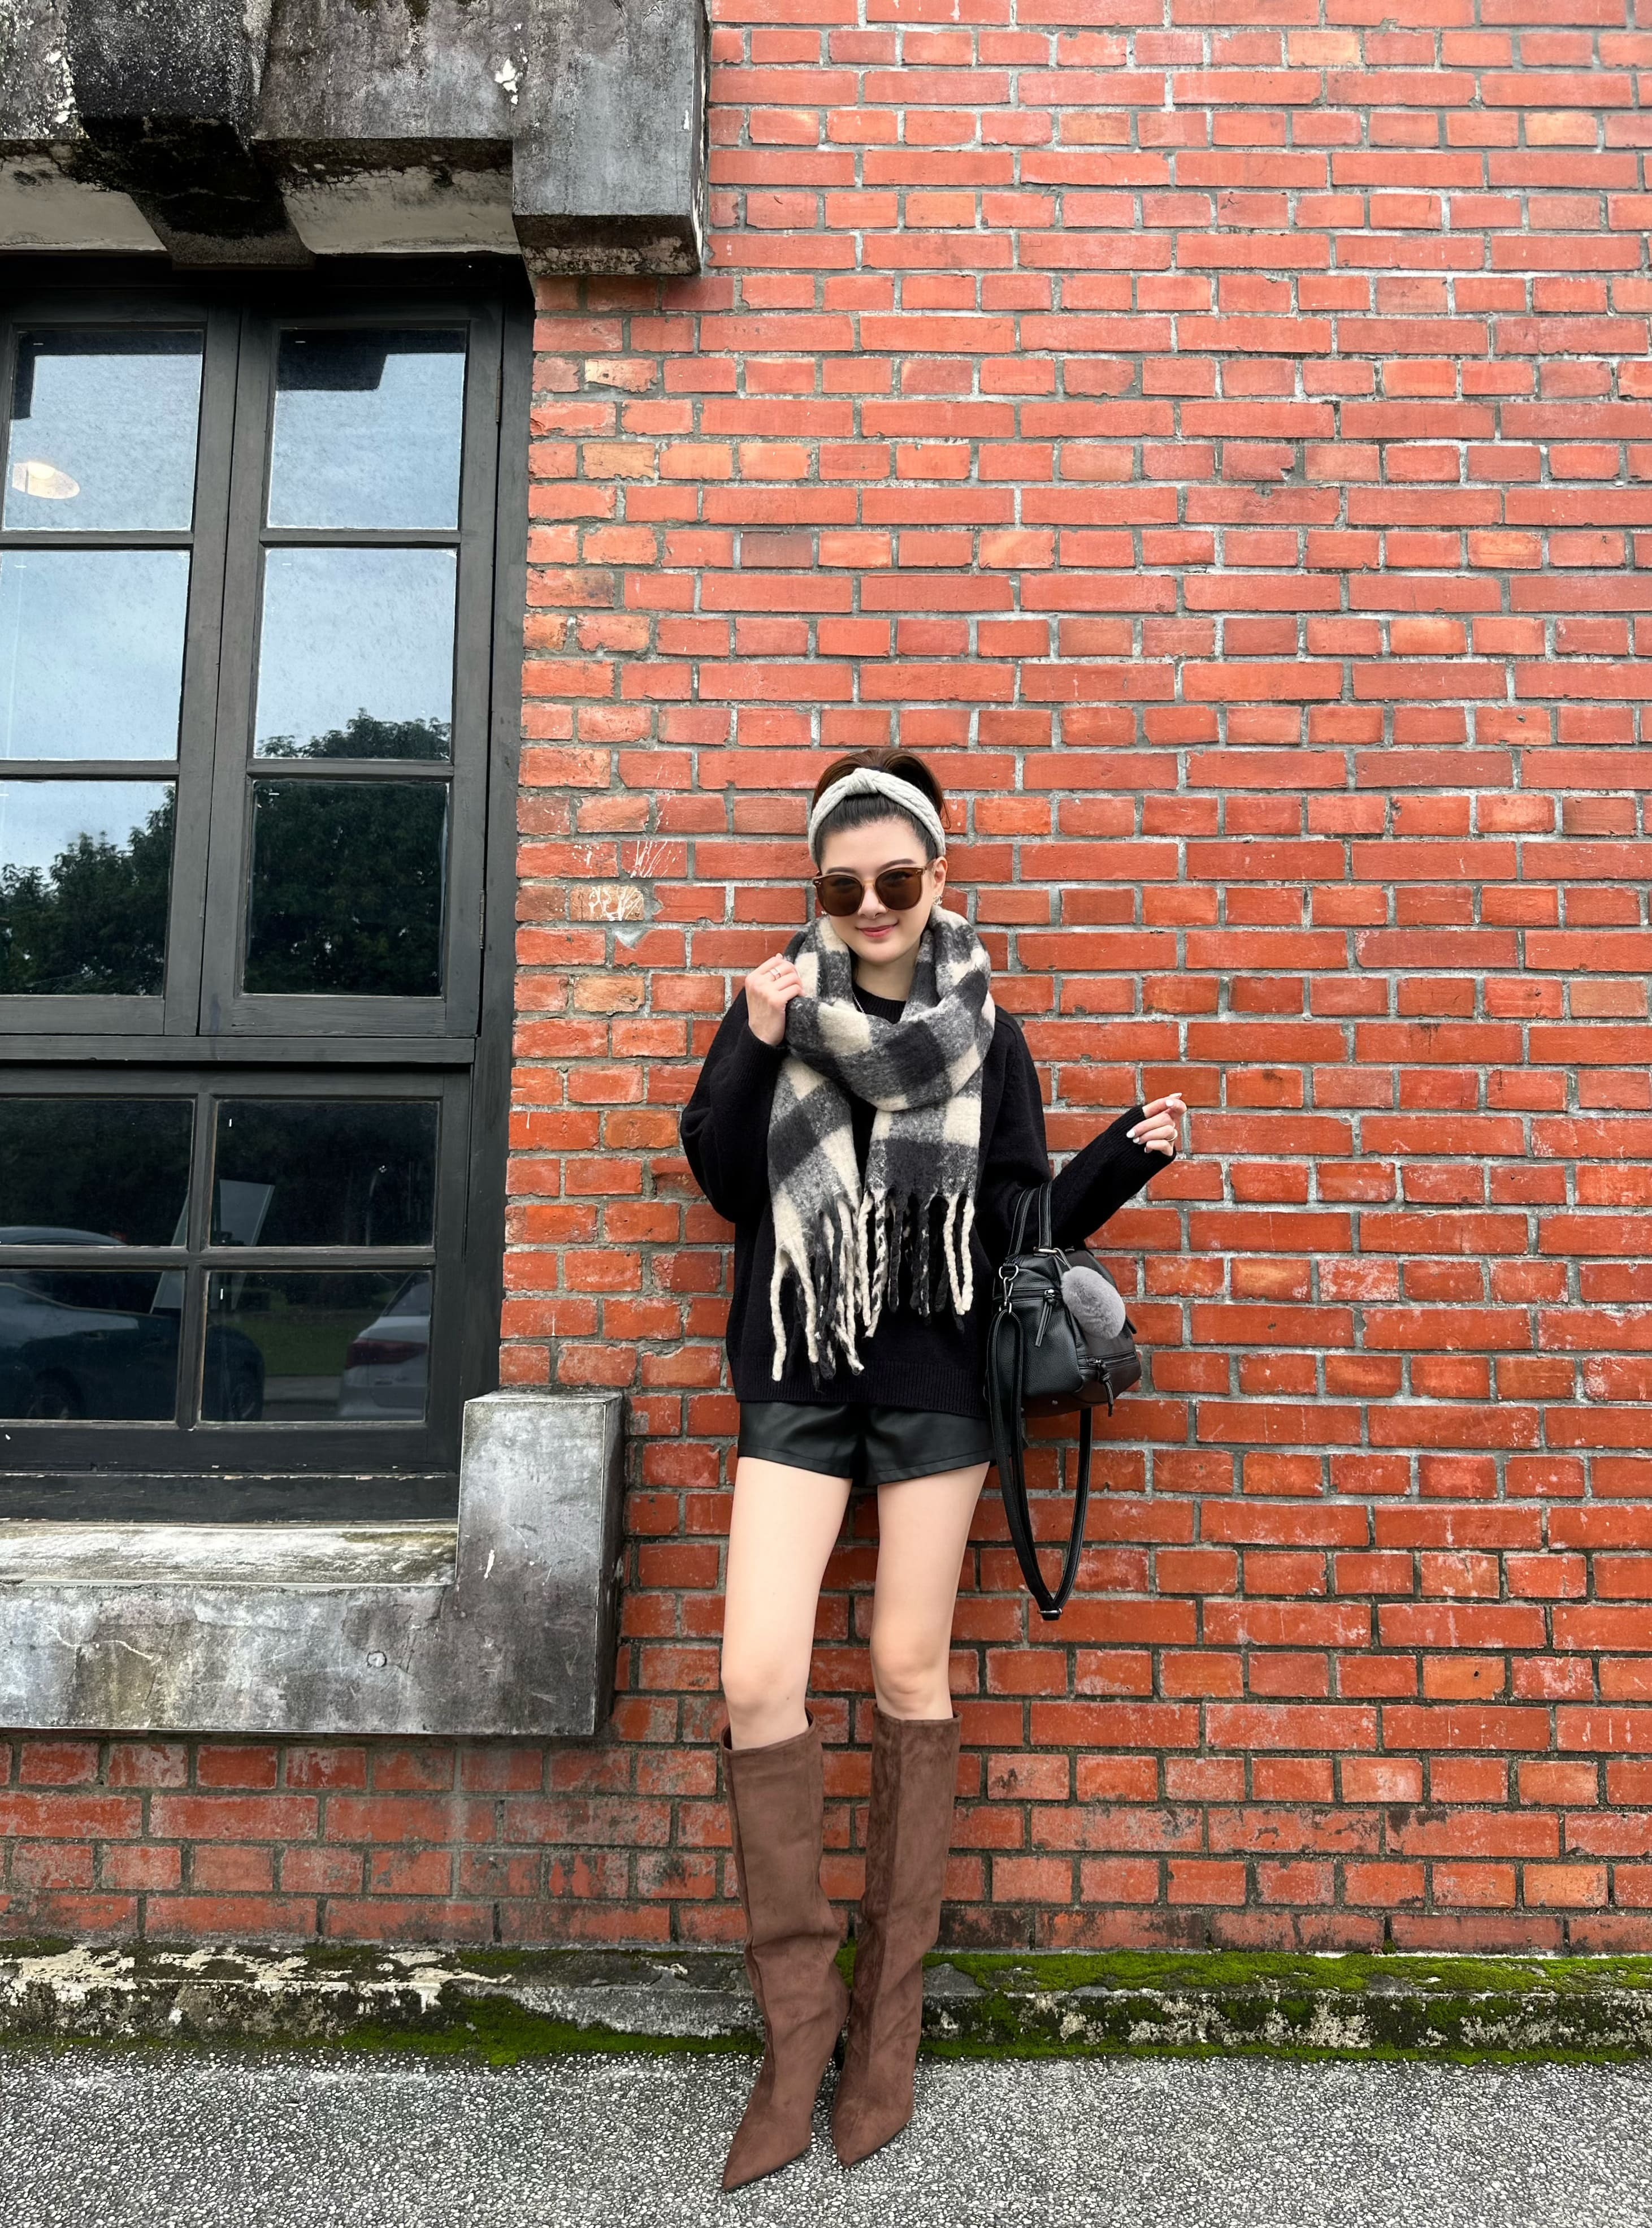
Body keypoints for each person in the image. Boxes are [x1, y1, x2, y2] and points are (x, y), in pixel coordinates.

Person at [679, 747, 1183, 2190]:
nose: (870, 906)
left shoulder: (987, 1035)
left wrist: (1120, 1162)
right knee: (756, 1680)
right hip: (799, 1369)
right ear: (819, 890)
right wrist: (750, 1039)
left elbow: (1017, 1217)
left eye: (895, 879)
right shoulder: (780, 1003)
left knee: (908, 1670)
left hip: (936, 1384)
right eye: (843, 885)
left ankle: (884, 2036)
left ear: (937, 879)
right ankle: (797, 2033)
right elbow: (725, 1179)